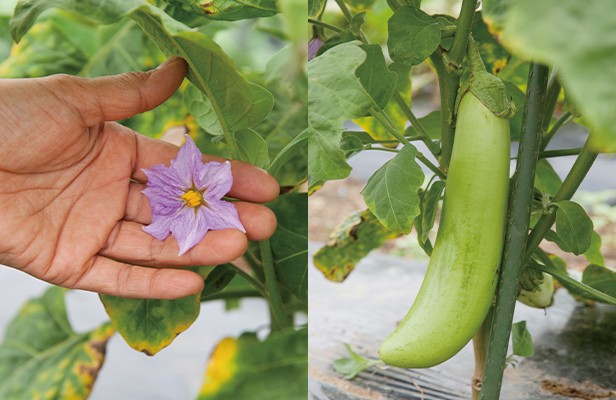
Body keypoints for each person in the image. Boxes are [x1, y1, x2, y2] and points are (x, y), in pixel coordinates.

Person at [0, 57, 279, 300]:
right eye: (189, 197)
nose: (189, 197)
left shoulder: (196, 187)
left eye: (190, 197)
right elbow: (165, 192)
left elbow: (178, 187)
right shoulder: (188, 190)